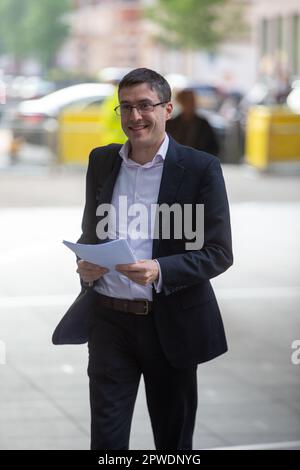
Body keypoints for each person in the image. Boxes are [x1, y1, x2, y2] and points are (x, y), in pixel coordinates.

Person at [53, 68, 233, 450]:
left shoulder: (201, 169)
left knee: (172, 441)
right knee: (106, 440)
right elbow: (92, 232)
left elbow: (219, 253)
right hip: (108, 323)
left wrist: (160, 269)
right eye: (127, 107)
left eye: (145, 106)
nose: (135, 117)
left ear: (167, 109)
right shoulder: (101, 161)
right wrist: (86, 266)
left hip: (170, 323)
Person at [166, 88, 219, 156]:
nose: (191, 104)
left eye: (192, 100)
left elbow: (214, 148)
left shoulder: (203, 124)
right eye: (187, 101)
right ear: (181, 102)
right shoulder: (172, 124)